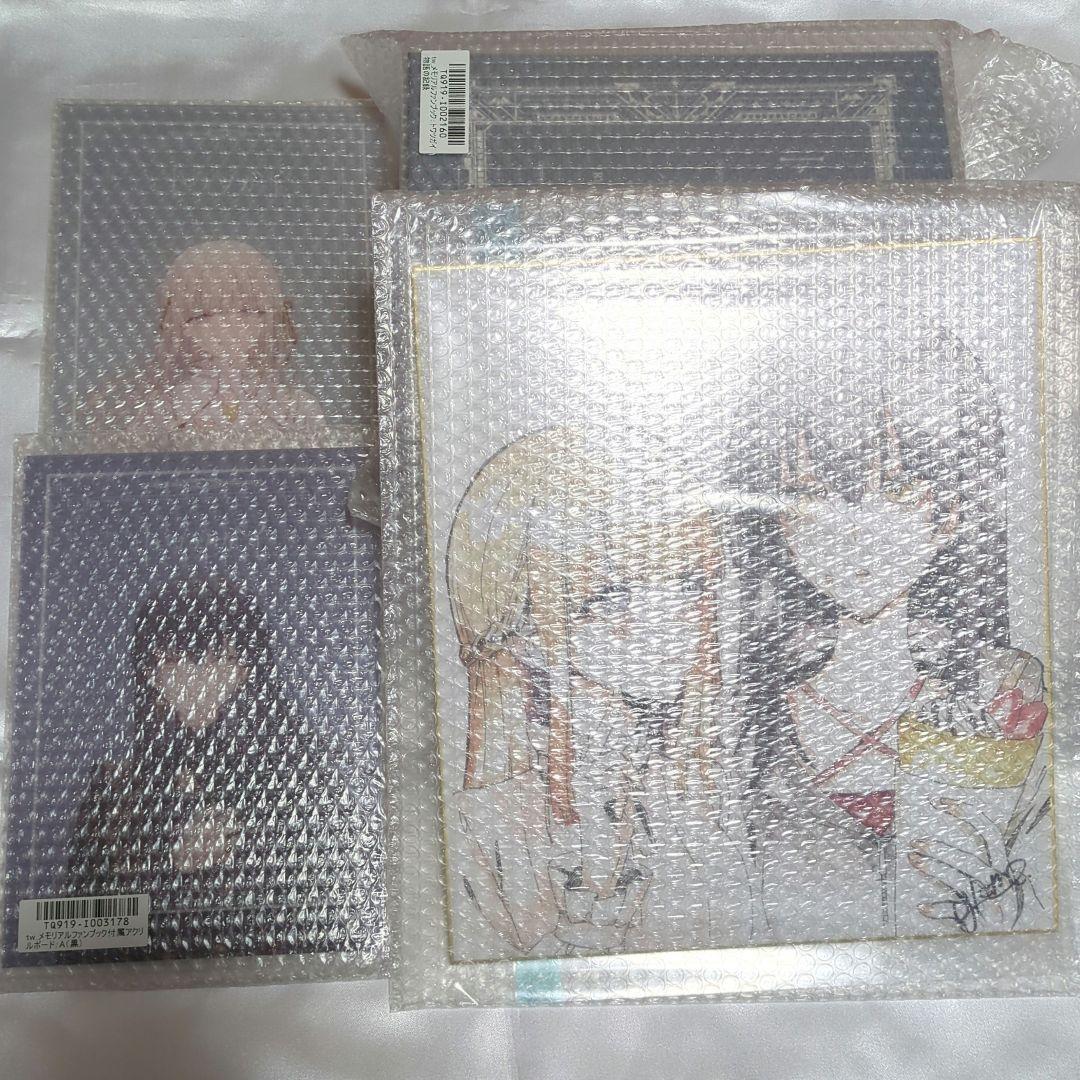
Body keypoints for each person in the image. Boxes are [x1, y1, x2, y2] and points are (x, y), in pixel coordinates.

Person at [731, 350, 1051, 943]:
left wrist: (998, 900)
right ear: (777, 522)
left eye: (898, 490)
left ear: (950, 512)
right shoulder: (749, 717)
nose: (854, 531)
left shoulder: (1004, 693)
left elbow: (1051, 897)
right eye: (809, 495)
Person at [446, 428, 754, 959]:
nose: (665, 627)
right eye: (612, 598)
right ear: (519, 613)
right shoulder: (485, 832)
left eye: (688, 588)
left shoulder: (688, 819)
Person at [68, 576, 357, 959]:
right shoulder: (116, 793)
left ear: (247, 667)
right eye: (175, 660)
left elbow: (333, 913)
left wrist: (246, 855)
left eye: (219, 657)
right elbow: (83, 937)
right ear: (149, 673)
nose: (197, 679)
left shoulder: (305, 772)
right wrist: (170, 872)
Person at [84, 240, 335, 448]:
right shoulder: (167, 407)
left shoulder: (295, 407)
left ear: (269, 315)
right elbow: (134, 463)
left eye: (248, 312)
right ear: (182, 324)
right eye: (205, 316)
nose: (229, 325)